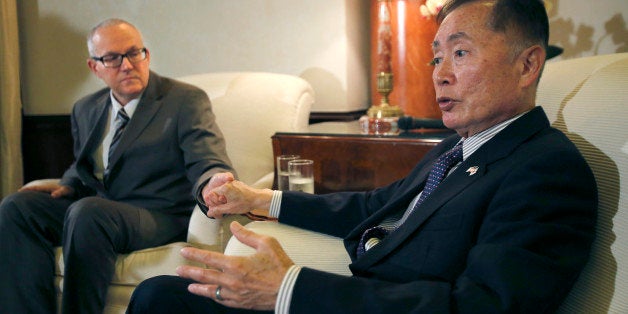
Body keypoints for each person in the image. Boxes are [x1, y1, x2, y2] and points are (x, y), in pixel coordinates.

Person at [128, 0, 598, 313]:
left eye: (460, 53)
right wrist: (262, 198)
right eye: (438, 57)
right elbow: (374, 207)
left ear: (528, 64)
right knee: (161, 294)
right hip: (353, 295)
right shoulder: (459, 148)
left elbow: (479, 307)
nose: (440, 75)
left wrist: (288, 287)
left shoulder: (545, 170)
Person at [0, 18, 236, 313]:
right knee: (17, 207)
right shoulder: (86, 108)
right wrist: (68, 183)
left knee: (88, 212)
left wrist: (213, 181)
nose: (127, 65)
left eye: (134, 53)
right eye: (112, 58)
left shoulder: (184, 101)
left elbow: (206, 157)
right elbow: (87, 162)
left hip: (158, 214)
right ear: (94, 67)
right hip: (99, 213)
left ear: (146, 55)